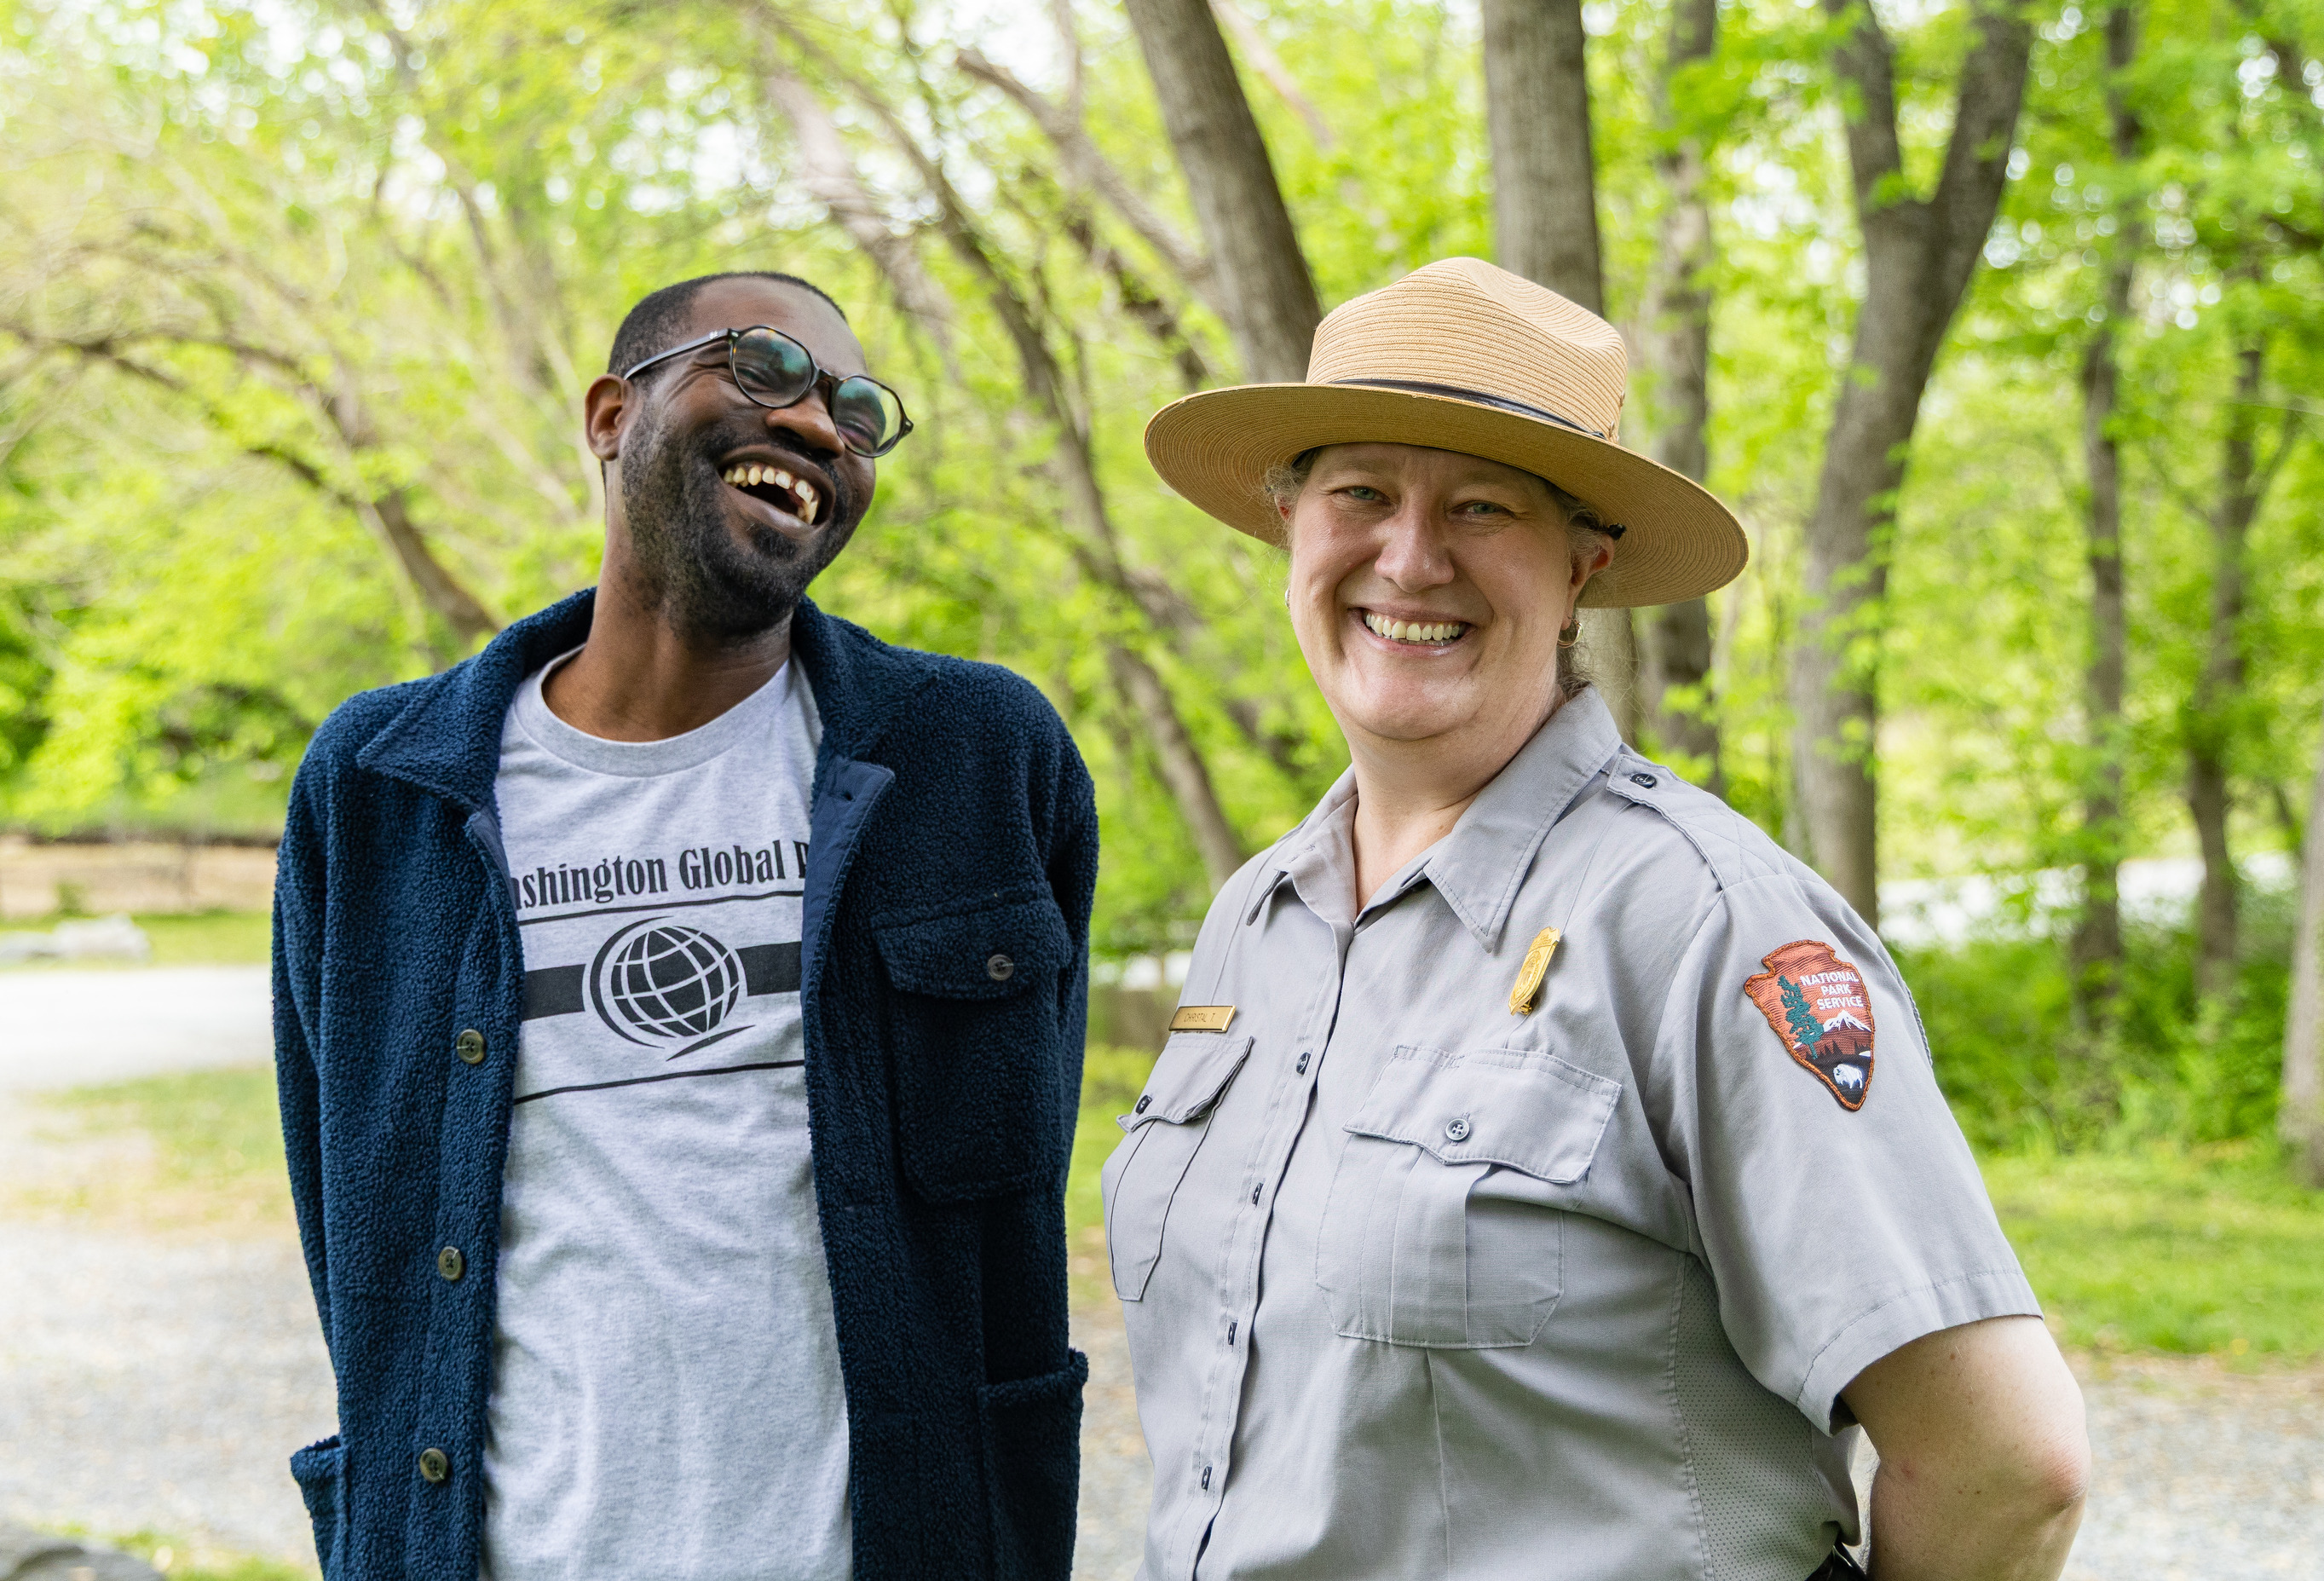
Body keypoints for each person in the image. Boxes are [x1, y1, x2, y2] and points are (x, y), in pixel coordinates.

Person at [1111, 257, 2090, 1581]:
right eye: (1358, 493)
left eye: (1482, 504)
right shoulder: (1256, 921)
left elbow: (2005, 1463)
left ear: (1584, 564)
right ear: (1292, 529)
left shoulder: (1700, 922)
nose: (1410, 555)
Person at [273, 271, 1098, 1581]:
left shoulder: (978, 764)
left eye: (862, 412)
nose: (825, 427)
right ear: (612, 415)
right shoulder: (381, 787)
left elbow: (1015, 1215)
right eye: (766, 365)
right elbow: (347, 1224)